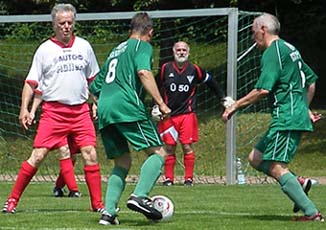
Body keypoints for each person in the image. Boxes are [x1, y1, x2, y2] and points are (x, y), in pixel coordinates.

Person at [2, 3, 104, 214]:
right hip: (53, 113)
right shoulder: (44, 50)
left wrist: (97, 101)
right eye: (62, 23)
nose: (66, 26)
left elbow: (93, 79)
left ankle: (98, 205)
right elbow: (31, 83)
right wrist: (25, 109)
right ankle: (12, 201)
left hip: (80, 112)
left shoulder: (84, 46)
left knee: (90, 154)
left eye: (69, 23)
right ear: (54, 25)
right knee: (38, 156)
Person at [222, 13, 323, 221]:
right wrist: (305, 108)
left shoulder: (272, 52)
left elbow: (262, 90)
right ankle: (301, 184)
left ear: (263, 30)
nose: (252, 38)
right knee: (256, 158)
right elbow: (310, 81)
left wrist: (235, 106)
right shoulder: (289, 48)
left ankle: (312, 213)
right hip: (291, 114)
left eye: (253, 32)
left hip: (286, 117)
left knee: (277, 167)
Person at [89, 12, 171, 225]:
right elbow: (144, 72)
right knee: (160, 152)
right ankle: (140, 196)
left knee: (122, 162)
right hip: (127, 107)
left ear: (130, 30)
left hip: (106, 109)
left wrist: (97, 104)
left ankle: (108, 213)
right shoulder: (141, 46)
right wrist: (161, 103)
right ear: (150, 32)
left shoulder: (115, 51)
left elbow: (94, 86)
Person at [156, 41, 226, 186]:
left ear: (188, 52)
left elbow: (210, 81)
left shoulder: (194, 69)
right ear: (173, 52)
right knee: (169, 147)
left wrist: (222, 98)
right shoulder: (165, 68)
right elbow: (156, 86)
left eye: (184, 50)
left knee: (187, 146)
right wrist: (155, 105)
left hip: (187, 114)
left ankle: (189, 179)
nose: (181, 52)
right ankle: (169, 179)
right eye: (178, 50)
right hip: (168, 115)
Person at [30, 93, 81, 198]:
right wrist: (32, 111)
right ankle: (74, 190)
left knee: (72, 156)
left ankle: (59, 187)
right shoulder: (51, 78)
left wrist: (95, 104)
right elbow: (39, 91)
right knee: (63, 150)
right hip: (56, 117)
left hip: (76, 115)